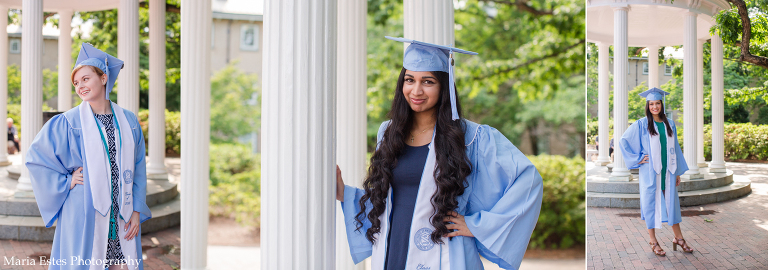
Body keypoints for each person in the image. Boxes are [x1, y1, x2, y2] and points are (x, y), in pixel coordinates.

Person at [336, 37, 543, 270]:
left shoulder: (472, 137)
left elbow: (528, 180)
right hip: (392, 248)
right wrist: (344, 193)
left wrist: (476, 225)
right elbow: (386, 198)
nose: (416, 90)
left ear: (444, 86)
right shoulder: (388, 132)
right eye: (409, 80)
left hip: (445, 251)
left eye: (428, 81)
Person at [25, 43, 151, 270]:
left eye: (85, 79)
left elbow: (138, 167)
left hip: (122, 211)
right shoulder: (68, 122)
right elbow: (37, 159)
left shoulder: (129, 121)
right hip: (85, 211)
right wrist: (66, 181)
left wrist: (136, 210)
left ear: (103, 78)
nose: (80, 86)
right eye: (76, 82)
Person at [619, 87, 694, 256]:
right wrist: (638, 158)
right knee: (650, 205)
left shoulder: (670, 124)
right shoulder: (641, 124)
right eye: (651, 104)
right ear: (648, 105)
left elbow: (676, 148)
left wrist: (678, 172)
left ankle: (678, 238)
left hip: (669, 171)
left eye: (657, 103)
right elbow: (623, 141)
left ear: (662, 104)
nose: (654, 107)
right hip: (651, 173)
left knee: (672, 205)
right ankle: (653, 241)